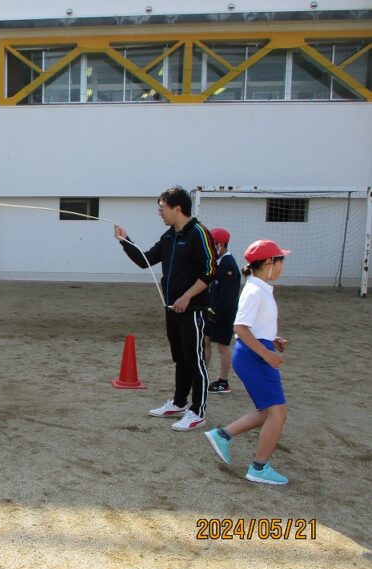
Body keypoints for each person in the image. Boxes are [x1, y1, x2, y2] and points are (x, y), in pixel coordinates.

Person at [114, 186, 217, 431]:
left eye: (162, 208)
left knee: (195, 361)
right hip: (171, 308)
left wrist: (187, 297)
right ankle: (179, 403)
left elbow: (211, 270)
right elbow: (144, 260)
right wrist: (125, 240)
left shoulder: (199, 233)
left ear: (177, 208)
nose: (160, 213)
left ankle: (198, 412)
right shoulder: (169, 237)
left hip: (192, 310)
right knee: (180, 359)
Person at [205, 240, 291, 485]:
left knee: (268, 410)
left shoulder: (259, 288)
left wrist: (271, 340)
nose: (282, 266)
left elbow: (252, 326)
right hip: (255, 356)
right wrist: (266, 354)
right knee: (278, 412)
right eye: (280, 260)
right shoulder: (255, 290)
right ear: (268, 262)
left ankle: (223, 435)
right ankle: (259, 468)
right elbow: (240, 327)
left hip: (256, 351)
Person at [204, 228, 241, 394]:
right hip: (212, 311)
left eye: (212, 245)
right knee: (205, 342)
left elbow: (228, 296)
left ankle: (223, 381)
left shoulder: (229, 265)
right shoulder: (218, 263)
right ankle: (202, 374)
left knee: (222, 346)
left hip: (223, 314)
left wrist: (215, 314)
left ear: (220, 244)